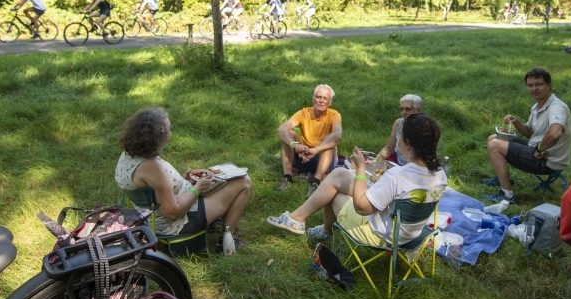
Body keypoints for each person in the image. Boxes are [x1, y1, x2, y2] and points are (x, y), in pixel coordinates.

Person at [267, 112, 447, 244]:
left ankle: (314, 226)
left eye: (399, 137)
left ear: (407, 143)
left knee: (334, 192)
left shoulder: (398, 175)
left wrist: (361, 169)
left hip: (380, 237)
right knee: (338, 175)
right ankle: (301, 220)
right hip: (410, 235)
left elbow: (362, 208)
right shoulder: (439, 174)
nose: (397, 141)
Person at [115, 107, 252, 254]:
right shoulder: (152, 167)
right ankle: (227, 239)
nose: (171, 132)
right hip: (177, 225)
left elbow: (159, 187)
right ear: (160, 135)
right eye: (169, 128)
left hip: (152, 216)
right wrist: (197, 188)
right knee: (243, 181)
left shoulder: (129, 155)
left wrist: (183, 179)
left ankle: (217, 222)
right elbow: (173, 213)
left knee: (223, 178)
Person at [483, 67, 571, 203]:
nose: (534, 88)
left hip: (547, 161)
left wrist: (539, 149)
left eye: (539, 84)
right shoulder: (537, 107)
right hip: (537, 151)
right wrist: (517, 122)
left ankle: (507, 194)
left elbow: (555, 133)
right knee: (493, 138)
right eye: (530, 85)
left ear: (549, 85)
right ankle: (501, 178)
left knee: (495, 145)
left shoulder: (557, 107)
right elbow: (530, 133)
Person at [276, 84, 342, 191]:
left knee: (329, 143)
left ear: (329, 102)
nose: (321, 100)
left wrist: (316, 150)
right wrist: (295, 145)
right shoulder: (303, 113)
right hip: (303, 156)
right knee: (289, 134)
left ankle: (316, 182)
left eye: (325, 98)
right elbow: (281, 129)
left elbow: (337, 135)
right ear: (313, 99)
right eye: (318, 97)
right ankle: (287, 177)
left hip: (324, 159)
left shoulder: (334, 115)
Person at [377, 94, 423, 166]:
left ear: (418, 110)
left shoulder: (425, 127)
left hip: (416, 166)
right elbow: (388, 148)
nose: (403, 112)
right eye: (402, 109)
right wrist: (375, 161)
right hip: (397, 162)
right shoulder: (399, 123)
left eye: (408, 109)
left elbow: (421, 157)